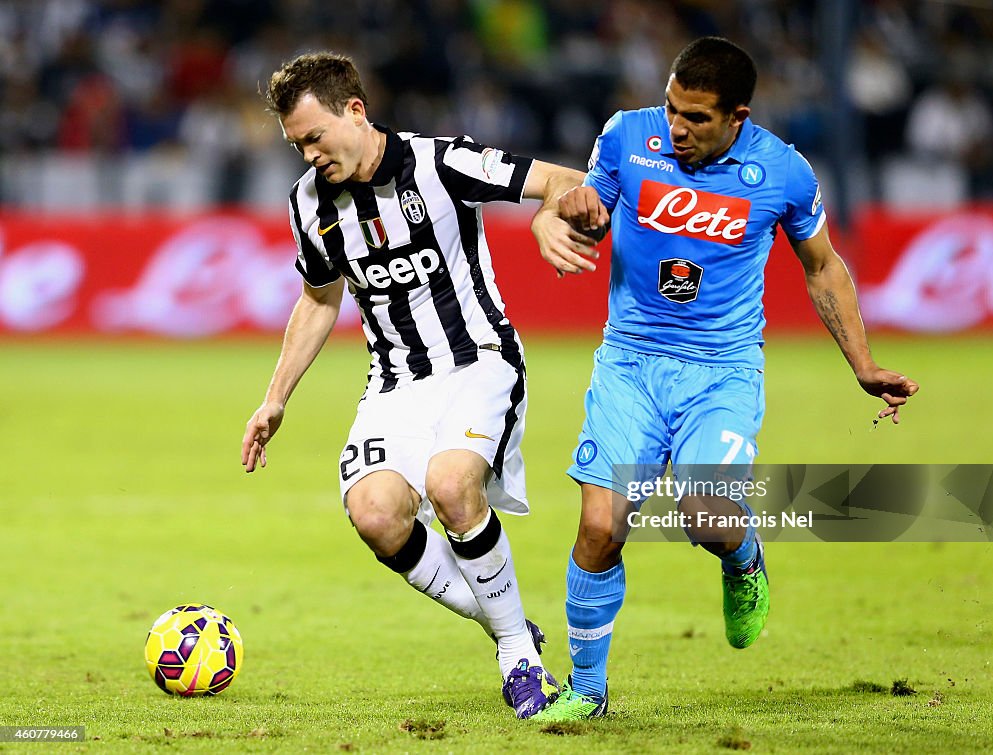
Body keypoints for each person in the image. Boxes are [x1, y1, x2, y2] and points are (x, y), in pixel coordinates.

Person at [529, 36, 920, 721]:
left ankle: (743, 558)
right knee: (600, 524)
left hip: (723, 370)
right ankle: (587, 691)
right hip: (631, 360)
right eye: (673, 109)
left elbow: (822, 265)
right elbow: (581, 199)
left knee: (703, 514)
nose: (677, 128)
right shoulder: (628, 136)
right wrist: (568, 217)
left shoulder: (783, 171)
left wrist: (863, 364)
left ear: (738, 115)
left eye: (697, 118)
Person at [240, 52, 596, 719]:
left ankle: (519, 656)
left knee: (452, 485)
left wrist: (551, 212)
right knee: (374, 513)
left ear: (354, 110)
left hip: (478, 359)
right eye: (296, 145)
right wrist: (275, 396)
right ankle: (507, 624)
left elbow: (563, 180)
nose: (308, 155)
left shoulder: (443, 163)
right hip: (396, 382)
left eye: (314, 137)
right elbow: (320, 299)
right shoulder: (308, 204)